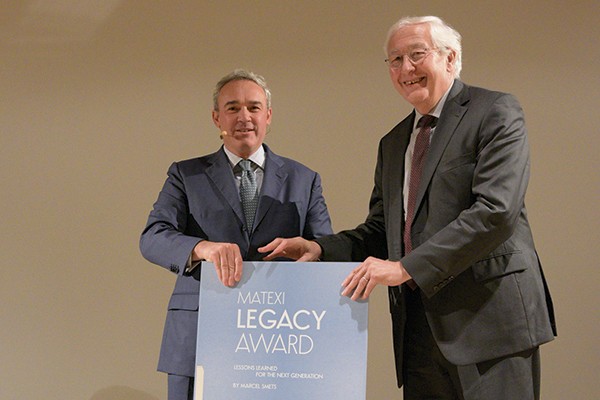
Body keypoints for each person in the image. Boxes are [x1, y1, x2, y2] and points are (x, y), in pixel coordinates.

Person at [260, 16, 556, 400]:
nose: (406, 69)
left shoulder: (495, 111)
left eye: (416, 55)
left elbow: (495, 213)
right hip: (417, 331)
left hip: (490, 326)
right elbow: (383, 230)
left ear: (450, 59)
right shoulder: (393, 142)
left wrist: (405, 268)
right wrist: (320, 249)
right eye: (395, 60)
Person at [140, 69, 333, 400]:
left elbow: (326, 250)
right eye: (232, 108)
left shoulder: (304, 179)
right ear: (217, 118)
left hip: (277, 339)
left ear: (268, 116)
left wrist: (312, 250)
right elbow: (153, 238)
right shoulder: (186, 175)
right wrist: (202, 248)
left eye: (254, 107)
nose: (244, 116)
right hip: (200, 337)